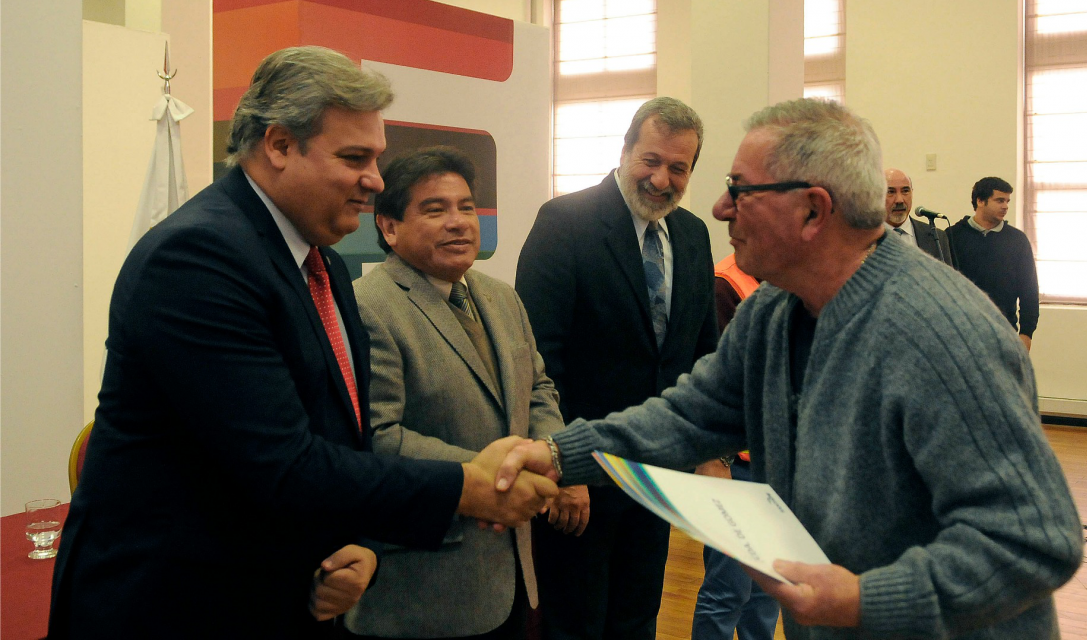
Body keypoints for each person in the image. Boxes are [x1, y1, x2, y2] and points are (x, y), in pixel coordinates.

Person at [498, 98, 1083, 640]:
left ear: (812, 211)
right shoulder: (774, 312)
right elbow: (688, 417)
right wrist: (556, 453)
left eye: (740, 190)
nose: (720, 208)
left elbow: (1032, 541)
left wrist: (864, 600)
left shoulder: (941, 333)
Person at [49, 46, 556, 640]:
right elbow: (283, 464)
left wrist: (356, 545)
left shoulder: (324, 265)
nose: (376, 180)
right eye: (354, 157)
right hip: (176, 606)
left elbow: (339, 437)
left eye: (376, 158)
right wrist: (469, 486)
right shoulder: (197, 259)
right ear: (280, 145)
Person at [346, 147, 575, 639]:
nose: (458, 222)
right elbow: (379, 437)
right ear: (388, 227)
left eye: (466, 207)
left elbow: (537, 387)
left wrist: (549, 451)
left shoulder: (501, 296)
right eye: (435, 209)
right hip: (425, 585)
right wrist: (496, 478)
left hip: (512, 570)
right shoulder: (368, 307)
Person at [515, 97, 719, 640]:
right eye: (650, 160)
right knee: (576, 625)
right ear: (625, 150)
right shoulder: (565, 222)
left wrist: (708, 452)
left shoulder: (694, 235)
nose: (661, 179)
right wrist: (565, 467)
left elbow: (704, 354)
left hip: (655, 477)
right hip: (582, 480)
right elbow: (537, 358)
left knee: (637, 618)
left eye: (678, 167)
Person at [690, 253, 780, 640]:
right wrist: (716, 458)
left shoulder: (784, 278)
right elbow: (713, 381)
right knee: (728, 592)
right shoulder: (724, 285)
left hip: (775, 465)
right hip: (737, 467)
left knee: (768, 592)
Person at [948, 177, 1039, 351]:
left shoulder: (1017, 240)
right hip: (961, 334)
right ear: (980, 201)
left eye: (1007, 201)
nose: (1005, 206)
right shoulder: (952, 236)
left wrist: (1026, 334)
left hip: (1004, 333)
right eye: (999, 200)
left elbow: (1029, 291)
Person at [883, 168, 953, 266]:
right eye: (891, 192)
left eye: (905, 191)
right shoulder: (865, 236)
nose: (899, 200)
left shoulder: (937, 237)